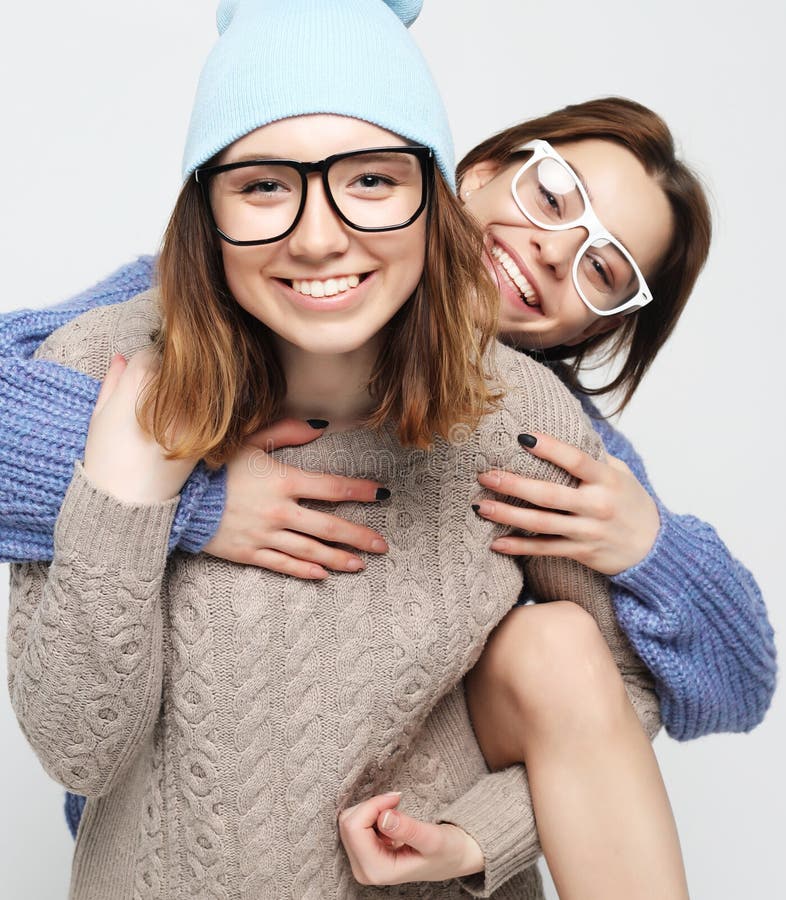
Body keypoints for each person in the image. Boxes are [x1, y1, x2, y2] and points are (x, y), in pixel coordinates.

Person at [5, 1, 675, 897]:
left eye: (369, 181)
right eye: (265, 185)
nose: (319, 237)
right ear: (205, 205)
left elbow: (619, 686)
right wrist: (129, 501)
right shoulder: (99, 372)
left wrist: (478, 836)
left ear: (430, 194)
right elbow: (78, 751)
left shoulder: (522, 412)